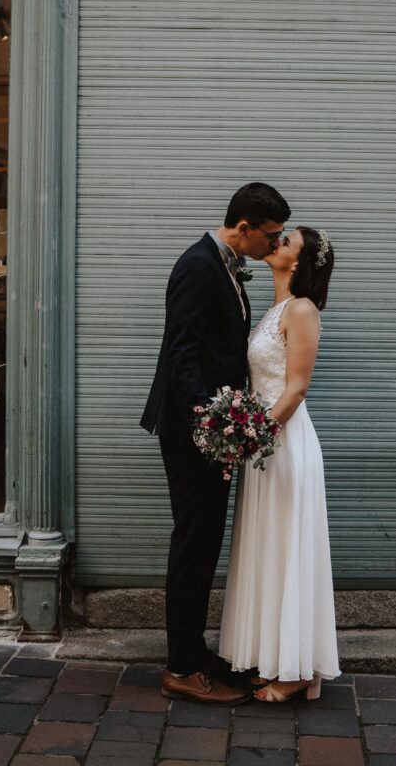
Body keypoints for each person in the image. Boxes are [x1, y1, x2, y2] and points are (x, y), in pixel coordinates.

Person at [139, 182, 291, 706]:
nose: (274, 247)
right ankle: (180, 667)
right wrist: (210, 423)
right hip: (192, 433)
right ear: (243, 227)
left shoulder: (225, 265)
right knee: (193, 542)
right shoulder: (197, 265)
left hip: (211, 432)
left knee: (204, 544)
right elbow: (180, 354)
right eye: (269, 237)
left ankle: (193, 649)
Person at [219, 226, 341, 703]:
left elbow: (295, 389)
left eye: (285, 241)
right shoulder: (272, 309)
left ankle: (296, 670)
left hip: (285, 443)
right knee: (267, 545)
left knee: (289, 547)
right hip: (264, 444)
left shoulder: (303, 309)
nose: (274, 243)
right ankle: (275, 657)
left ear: (299, 261)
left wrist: (255, 435)